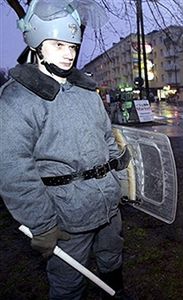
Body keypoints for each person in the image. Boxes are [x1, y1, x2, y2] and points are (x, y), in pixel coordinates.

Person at [0, 1, 130, 299]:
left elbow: (107, 139)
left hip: (108, 204)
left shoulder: (86, 91)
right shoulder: (16, 100)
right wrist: (42, 225)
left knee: (112, 258)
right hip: (66, 215)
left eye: (72, 45)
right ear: (37, 43)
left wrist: (117, 184)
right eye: (58, 44)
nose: (69, 53)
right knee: (69, 283)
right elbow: (14, 172)